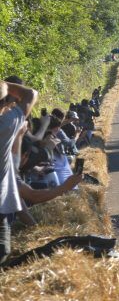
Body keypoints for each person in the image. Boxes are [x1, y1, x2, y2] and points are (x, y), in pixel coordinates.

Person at [1, 80, 38, 265]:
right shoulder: (6, 125)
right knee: (3, 250)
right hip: (1, 207)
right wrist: (5, 85)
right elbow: (31, 94)